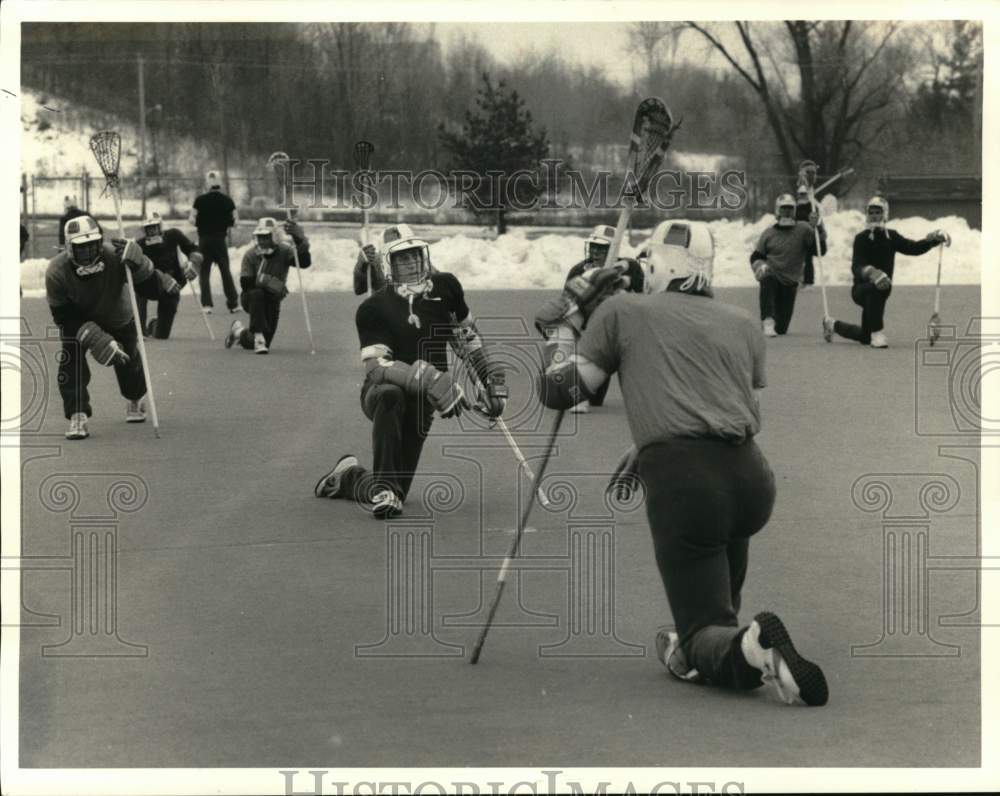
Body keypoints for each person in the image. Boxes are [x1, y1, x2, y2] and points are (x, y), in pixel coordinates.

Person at [534, 219, 828, 707]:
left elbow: (560, 391)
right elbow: (733, 407)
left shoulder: (623, 310)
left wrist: (563, 327)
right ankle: (726, 646)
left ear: (660, 264)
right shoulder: (741, 323)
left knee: (703, 632)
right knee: (717, 615)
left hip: (686, 485)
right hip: (749, 478)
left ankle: (748, 646)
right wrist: (644, 443)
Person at [314, 230, 506, 519]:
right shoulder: (373, 307)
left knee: (394, 489)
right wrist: (431, 379)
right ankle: (385, 490)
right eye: (403, 258)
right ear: (389, 264)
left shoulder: (447, 287)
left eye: (416, 254)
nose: (413, 263)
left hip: (423, 401)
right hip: (382, 393)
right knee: (391, 396)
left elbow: (466, 338)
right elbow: (377, 367)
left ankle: (347, 477)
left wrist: (488, 380)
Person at [45, 215, 181, 440]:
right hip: (79, 319)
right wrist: (96, 338)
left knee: (129, 360)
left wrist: (141, 265)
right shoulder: (56, 272)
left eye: (92, 245)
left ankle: (135, 399)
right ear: (69, 248)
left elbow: (150, 291)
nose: (89, 253)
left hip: (118, 315)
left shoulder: (114, 255)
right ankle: (77, 414)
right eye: (81, 248)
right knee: (70, 359)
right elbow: (63, 316)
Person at [823, 197, 949, 348]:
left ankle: (832, 325)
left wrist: (933, 240)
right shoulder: (861, 238)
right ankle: (877, 334)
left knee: (864, 337)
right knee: (875, 290)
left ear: (885, 214)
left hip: (883, 288)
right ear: (867, 214)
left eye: (878, 212)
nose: (875, 215)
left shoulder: (892, 237)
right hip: (861, 290)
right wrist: (871, 273)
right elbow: (857, 266)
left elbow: (913, 248)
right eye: (872, 212)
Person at [563, 223, 645, 413]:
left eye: (602, 248)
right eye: (594, 247)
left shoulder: (629, 268)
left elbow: (645, 298)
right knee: (595, 399)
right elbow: (566, 310)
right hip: (594, 337)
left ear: (613, 250)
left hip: (623, 334)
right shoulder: (578, 272)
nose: (596, 252)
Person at [224, 216, 311, 354]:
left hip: (272, 299)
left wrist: (300, 238)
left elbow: (304, 262)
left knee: (264, 341)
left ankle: (239, 333)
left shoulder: (284, 250)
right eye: (260, 237)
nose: (262, 241)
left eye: (266, 237)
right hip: (251, 298)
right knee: (257, 294)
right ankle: (258, 336)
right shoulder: (250, 254)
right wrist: (271, 282)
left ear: (274, 237)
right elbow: (246, 283)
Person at [750, 193, 826, 337]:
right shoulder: (768, 233)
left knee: (781, 330)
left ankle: (775, 322)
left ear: (795, 211)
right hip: (772, 275)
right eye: (783, 209)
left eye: (790, 209)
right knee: (767, 279)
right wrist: (759, 266)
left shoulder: (804, 229)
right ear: (777, 211)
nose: (787, 212)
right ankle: (767, 320)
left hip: (790, 283)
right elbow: (756, 256)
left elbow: (819, 251)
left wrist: (818, 228)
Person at [135, 211, 203, 339]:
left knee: (162, 335)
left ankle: (155, 326)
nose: (152, 232)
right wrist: (162, 278)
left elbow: (193, 250)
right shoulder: (140, 245)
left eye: (154, 227)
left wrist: (194, 265)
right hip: (149, 284)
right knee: (137, 289)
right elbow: (137, 271)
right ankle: (140, 329)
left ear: (160, 226)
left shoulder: (173, 235)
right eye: (148, 229)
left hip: (173, 285)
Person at [189, 170, 238, 313]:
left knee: (204, 272)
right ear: (220, 184)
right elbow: (235, 221)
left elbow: (191, 220)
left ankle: (206, 304)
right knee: (225, 271)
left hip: (204, 239)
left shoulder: (199, 201)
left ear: (207, 184)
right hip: (220, 240)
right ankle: (233, 303)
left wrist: (203, 223)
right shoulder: (227, 201)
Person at [794, 186, 818, 288]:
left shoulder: (811, 206)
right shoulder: (795, 207)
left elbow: (815, 219)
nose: (802, 196)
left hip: (808, 234)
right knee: (796, 258)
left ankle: (809, 280)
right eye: (801, 194)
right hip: (796, 235)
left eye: (804, 194)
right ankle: (797, 279)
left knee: (808, 259)